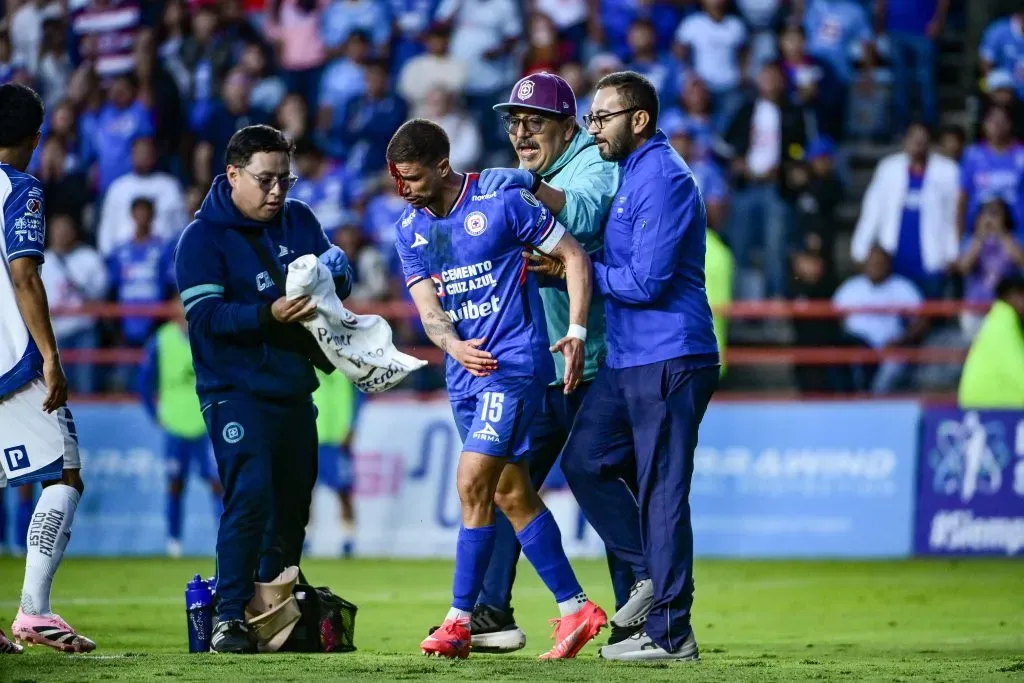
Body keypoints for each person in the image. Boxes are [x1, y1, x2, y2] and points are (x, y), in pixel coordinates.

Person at [386, 118, 607, 659]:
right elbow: (430, 313)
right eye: (396, 179)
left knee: (469, 483)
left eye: (412, 178)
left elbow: (575, 257)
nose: (403, 189)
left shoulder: (501, 204)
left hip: (511, 369)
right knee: (511, 495)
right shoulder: (408, 231)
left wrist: (575, 331)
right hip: (464, 375)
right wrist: (452, 346)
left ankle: (459, 620)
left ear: (442, 167)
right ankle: (576, 608)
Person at [457, 72, 632, 652]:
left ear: (569, 126)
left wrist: (528, 185)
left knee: (602, 481)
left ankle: (639, 612)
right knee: (510, 482)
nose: (522, 131)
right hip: (545, 366)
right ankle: (489, 613)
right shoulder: (528, 177)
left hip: (599, 359)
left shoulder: (590, 163)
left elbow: (581, 217)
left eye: (536, 122)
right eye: (514, 122)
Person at [555, 71, 721, 662]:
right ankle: (652, 575)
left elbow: (647, 282)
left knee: (663, 490)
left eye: (602, 118)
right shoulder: (631, 174)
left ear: (639, 120)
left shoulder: (665, 178)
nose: (592, 128)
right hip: (630, 358)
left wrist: (575, 272)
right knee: (584, 460)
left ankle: (673, 634)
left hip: (671, 355)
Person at [174, 124, 353, 654]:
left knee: (293, 506)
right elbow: (205, 320)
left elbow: (329, 290)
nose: (277, 192)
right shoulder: (201, 240)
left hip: (293, 388)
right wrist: (267, 313)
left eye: (285, 181)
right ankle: (229, 616)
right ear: (232, 175)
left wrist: (339, 274)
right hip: (233, 389)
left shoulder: (300, 220)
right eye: (265, 181)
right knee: (249, 495)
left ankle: (274, 612)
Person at [0, 83, 95, 654]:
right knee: (65, 473)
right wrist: (52, 357)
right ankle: (33, 611)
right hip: (12, 364)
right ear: (35, 139)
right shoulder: (20, 189)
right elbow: (25, 275)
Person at [137, 294, 223, 559]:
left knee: (218, 485)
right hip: (175, 425)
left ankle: (224, 543)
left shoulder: (209, 336)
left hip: (207, 425)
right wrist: (154, 413)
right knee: (175, 484)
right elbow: (144, 381)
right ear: (173, 311)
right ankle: (174, 543)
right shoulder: (161, 340)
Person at [311, 369, 361, 557]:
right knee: (305, 493)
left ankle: (348, 538)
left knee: (344, 491)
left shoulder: (345, 365)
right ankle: (306, 539)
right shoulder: (307, 364)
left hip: (338, 439)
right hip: (311, 436)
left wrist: (352, 427)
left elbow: (358, 399)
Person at [958, 274, 1024, 409]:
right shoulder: (1002, 323)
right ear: (1010, 296)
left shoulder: (1001, 319)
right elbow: (1018, 370)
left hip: (985, 403)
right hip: (988, 405)